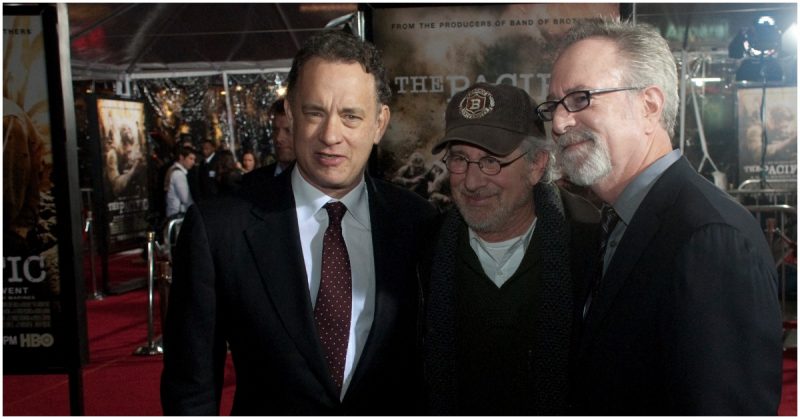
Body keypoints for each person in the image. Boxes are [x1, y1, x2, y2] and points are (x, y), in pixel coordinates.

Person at [161, 29, 437, 415]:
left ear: (379, 123)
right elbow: (190, 386)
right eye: (315, 112)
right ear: (290, 114)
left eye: (351, 116)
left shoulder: (420, 224)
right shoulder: (220, 230)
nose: (330, 135)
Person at [540, 19, 783, 415]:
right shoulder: (613, 221)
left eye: (581, 98)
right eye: (553, 105)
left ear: (649, 106)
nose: (559, 122)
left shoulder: (711, 238)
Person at [422, 83, 599, 415]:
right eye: (460, 159)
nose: (471, 182)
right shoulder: (422, 253)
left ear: (536, 165)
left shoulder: (590, 248)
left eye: (491, 161)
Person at [241, 98, 296, 186]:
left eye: (288, 130)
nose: (278, 138)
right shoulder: (251, 182)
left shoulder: (319, 184)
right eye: (275, 130)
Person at [164, 146, 196, 218]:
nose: (193, 162)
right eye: (190, 159)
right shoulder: (179, 174)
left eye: (194, 159)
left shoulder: (172, 169)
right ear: (181, 157)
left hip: (171, 211)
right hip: (178, 213)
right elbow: (186, 198)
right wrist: (195, 211)